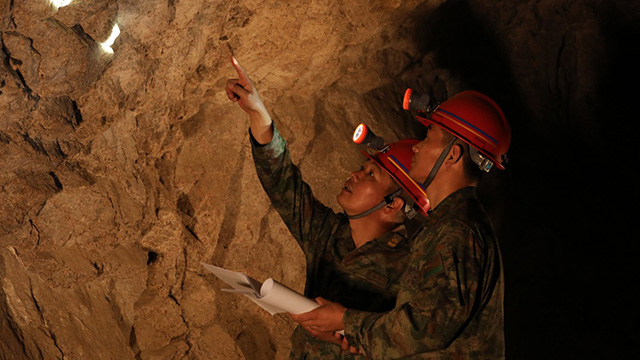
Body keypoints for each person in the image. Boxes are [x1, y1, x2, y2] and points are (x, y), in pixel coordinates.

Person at [224, 56, 430, 359]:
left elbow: (415, 342)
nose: (354, 174)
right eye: (362, 167)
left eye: (371, 174)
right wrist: (258, 113)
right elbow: (284, 184)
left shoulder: (411, 267)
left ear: (394, 204)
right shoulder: (329, 234)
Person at [291, 90, 511, 359]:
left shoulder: (456, 231)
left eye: (428, 136)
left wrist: (346, 321)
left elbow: (426, 328)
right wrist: (354, 336)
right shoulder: (448, 225)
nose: (416, 147)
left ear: (452, 155)